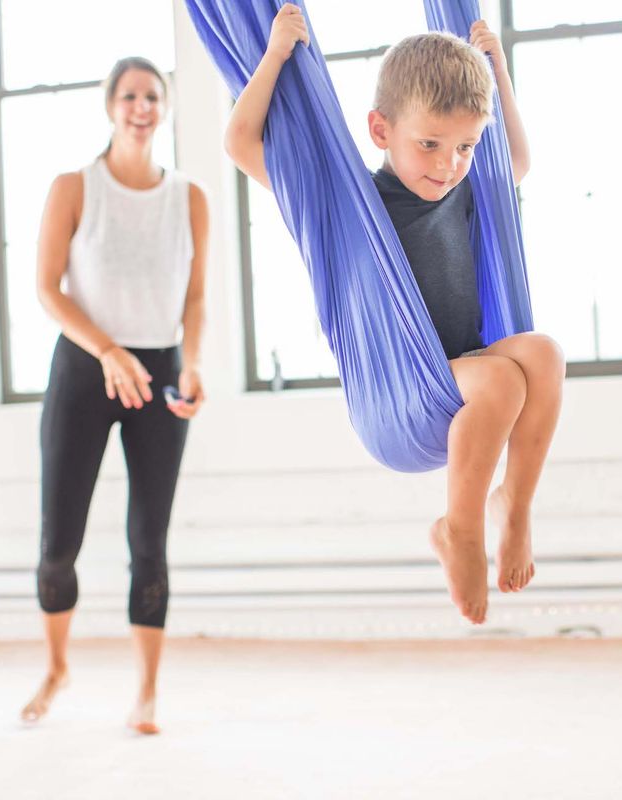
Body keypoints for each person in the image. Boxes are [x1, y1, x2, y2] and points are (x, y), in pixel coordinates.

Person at [224, 7, 564, 625]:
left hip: (462, 381)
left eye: (464, 146)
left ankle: (513, 505)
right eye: (428, 143)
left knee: (542, 354)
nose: (446, 164)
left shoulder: (468, 191)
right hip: (399, 403)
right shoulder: (349, 205)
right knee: (501, 379)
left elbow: (514, 161)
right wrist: (274, 54)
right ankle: (458, 531)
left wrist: (501, 73)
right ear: (380, 130)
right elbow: (241, 143)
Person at [21, 56, 209, 733]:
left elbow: (195, 299)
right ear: (109, 106)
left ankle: (148, 692)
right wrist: (107, 350)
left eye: (152, 96)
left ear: (164, 107)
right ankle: (56, 667)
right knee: (57, 543)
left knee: (148, 542)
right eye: (129, 95)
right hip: (84, 366)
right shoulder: (74, 186)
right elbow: (47, 287)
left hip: (158, 372)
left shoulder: (189, 197)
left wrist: (189, 367)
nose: (141, 106)